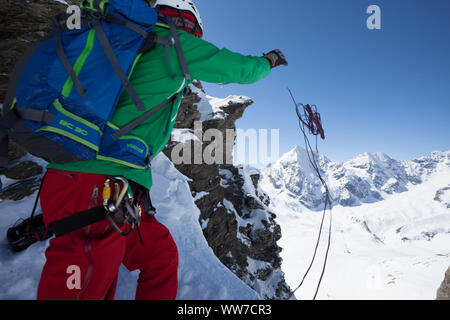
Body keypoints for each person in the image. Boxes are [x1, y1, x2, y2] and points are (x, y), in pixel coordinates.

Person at [36, 0, 288, 300]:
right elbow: (240, 68)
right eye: (196, 33)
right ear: (185, 23)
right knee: (85, 281)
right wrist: (269, 60)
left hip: (110, 186)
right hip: (93, 180)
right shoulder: (173, 42)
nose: (197, 41)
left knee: (160, 256)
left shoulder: (129, 45)